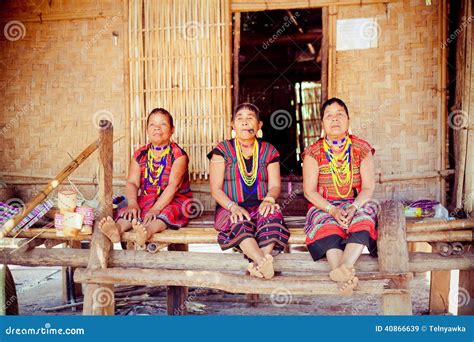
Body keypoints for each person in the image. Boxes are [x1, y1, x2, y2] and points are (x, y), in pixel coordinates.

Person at [302, 97, 377, 295]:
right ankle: (345, 273)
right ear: (323, 123)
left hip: (356, 202)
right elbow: (309, 191)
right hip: (324, 205)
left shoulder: (362, 148)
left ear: (348, 120)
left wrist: (354, 207)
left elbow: (368, 187)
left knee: (365, 216)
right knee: (327, 224)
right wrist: (332, 209)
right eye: (329, 116)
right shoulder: (313, 152)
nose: (335, 119)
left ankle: (343, 269)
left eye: (339, 114)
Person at [208, 103, 290, 279]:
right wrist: (232, 207)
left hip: (261, 204)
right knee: (238, 221)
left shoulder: (269, 151)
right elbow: (215, 189)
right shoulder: (221, 150)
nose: (245, 122)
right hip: (229, 207)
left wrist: (269, 199)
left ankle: (259, 263)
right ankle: (262, 262)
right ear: (233, 125)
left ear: (259, 125)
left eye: (250, 118)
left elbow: (275, 185)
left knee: (273, 214)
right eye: (240, 118)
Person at [99, 108, 192, 247]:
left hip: (175, 200)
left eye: (163, 124)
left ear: (172, 129)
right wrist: (132, 204)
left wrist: (156, 209)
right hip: (148, 198)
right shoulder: (140, 154)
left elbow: (173, 186)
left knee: (168, 211)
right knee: (131, 212)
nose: (157, 129)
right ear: (147, 130)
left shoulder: (178, 155)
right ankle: (117, 230)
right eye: (152, 125)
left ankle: (146, 232)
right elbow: (132, 183)